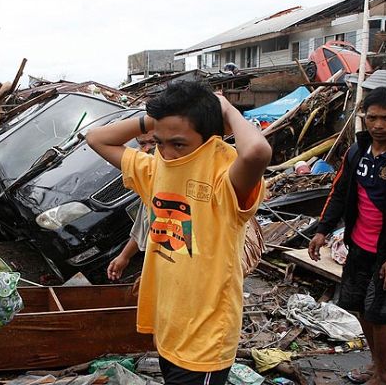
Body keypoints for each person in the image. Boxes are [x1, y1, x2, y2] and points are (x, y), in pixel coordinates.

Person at [87, 81, 271, 385]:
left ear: (209, 137)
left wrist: (225, 108)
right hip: (171, 328)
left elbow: (256, 152)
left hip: (206, 340)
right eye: (159, 142)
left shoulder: (224, 177)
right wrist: (154, 119)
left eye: (179, 143)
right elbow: (96, 138)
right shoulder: (155, 169)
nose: (167, 152)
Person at [308, 86, 386, 385]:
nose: (378, 125)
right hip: (358, 248)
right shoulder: (356, 152)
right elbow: (338, 193)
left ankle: (384, 376)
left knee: (381, 315)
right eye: (372, 117)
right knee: (362, 309)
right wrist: (322, 230)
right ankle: (375, 366)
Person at [107, 131, 155, 281]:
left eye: (153, 143)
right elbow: (145, 223)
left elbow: (96, 139)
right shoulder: (152, 183)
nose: (146, 149)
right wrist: (124, 256)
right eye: (142, 144)